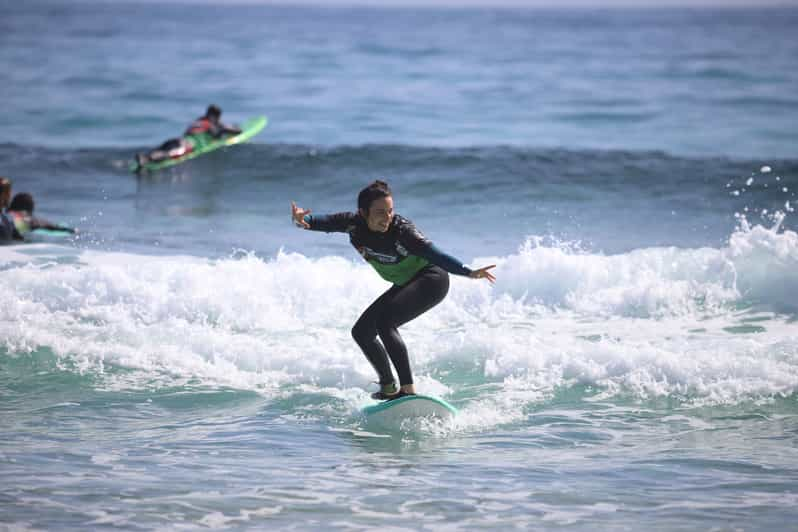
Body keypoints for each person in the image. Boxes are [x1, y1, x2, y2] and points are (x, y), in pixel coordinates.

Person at [291, 180, 496, 400]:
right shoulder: (352, 223)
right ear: (363, 212)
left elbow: (437, 255)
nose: (387, 217)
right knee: (362, 332)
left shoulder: (403, 232)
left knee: (385, 322)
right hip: (406, 282)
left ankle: (407, 390)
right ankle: (388, 386)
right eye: (380, 212)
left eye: (390, 211)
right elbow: (319, 222)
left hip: (432, 279)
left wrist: (468, 271)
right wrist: (301, 220)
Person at [135, 105, 243, 168]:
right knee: (169, 154)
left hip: (178, 139)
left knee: (163, 148)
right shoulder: (212, 125)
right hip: (188, 144)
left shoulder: (198, 122)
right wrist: (224, 126)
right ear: (216, 117)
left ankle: (145, 156)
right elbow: (236, 131)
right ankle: (148, 159)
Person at [3, 192, 76, 241]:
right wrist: (68, 230)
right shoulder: (25, 218)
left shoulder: (6, 214)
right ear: (29, 206)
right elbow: (43, 224)